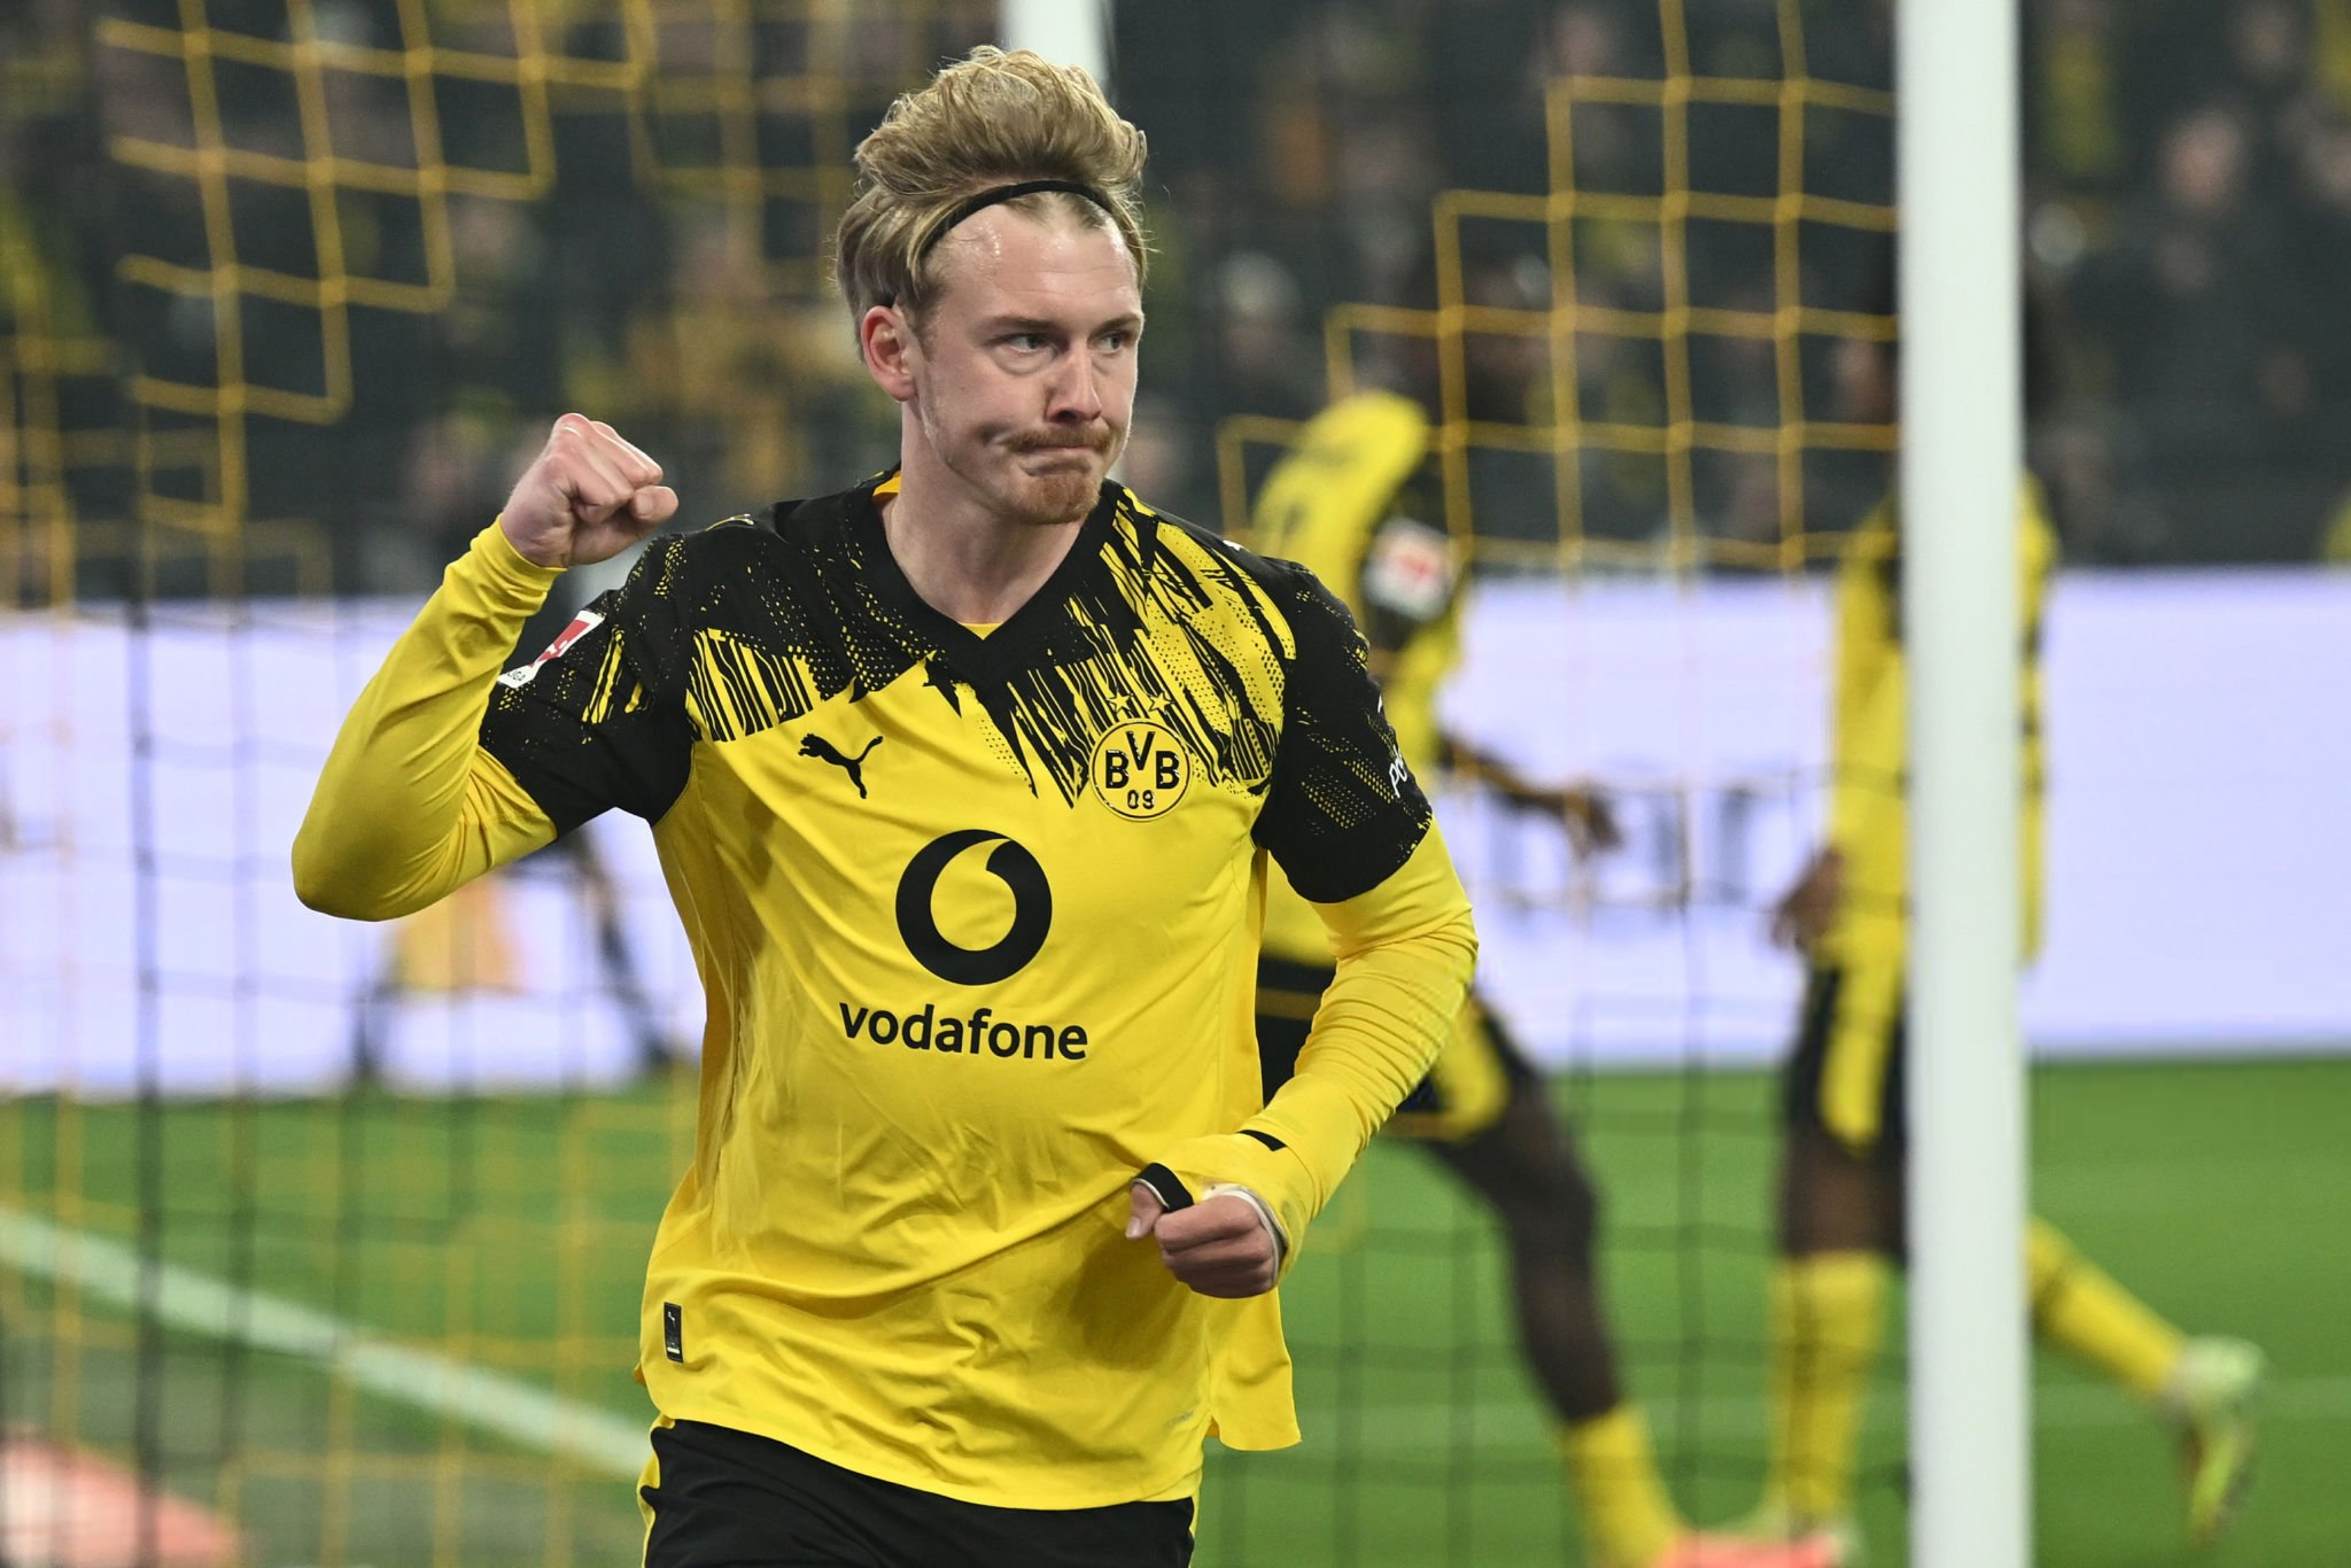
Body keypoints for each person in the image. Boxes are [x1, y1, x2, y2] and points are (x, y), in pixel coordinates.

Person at [293, 48, 1479, 1567]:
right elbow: (362, 865)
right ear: (892, 349)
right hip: (777, 1415)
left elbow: (1414, 936)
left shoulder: (1247, 634)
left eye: (1113, 341)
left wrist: (1280, 1165)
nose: (1081, 396)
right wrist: (505, 568)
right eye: (1025, 343)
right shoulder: (730, 611)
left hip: (1101, 1441)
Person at [1248, 246, 1832, 1568]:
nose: (1530, 356)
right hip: (1336, 936)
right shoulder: (1422, 488)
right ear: (1426, 327)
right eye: (1502, 330)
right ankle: (1639, 1543)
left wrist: (1519, 789)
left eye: (1533, 330)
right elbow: (1353, 689)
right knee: (1552, 1201)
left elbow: (1329, 673)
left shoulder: (1338, 440)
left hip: (1245, 913)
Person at [1743, 296, 2267, 1562]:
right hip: (1931, 884)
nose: (1844, 368)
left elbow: (1925, 685)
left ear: (1915, 367)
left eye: (1863, 349)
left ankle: (1808, 1518)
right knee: (1911, 1198)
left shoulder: (1962, 508)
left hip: (1909, 900)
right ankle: (2176, 1378)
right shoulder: (1952, 503)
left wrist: (1842, 844)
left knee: (1828, 1171)